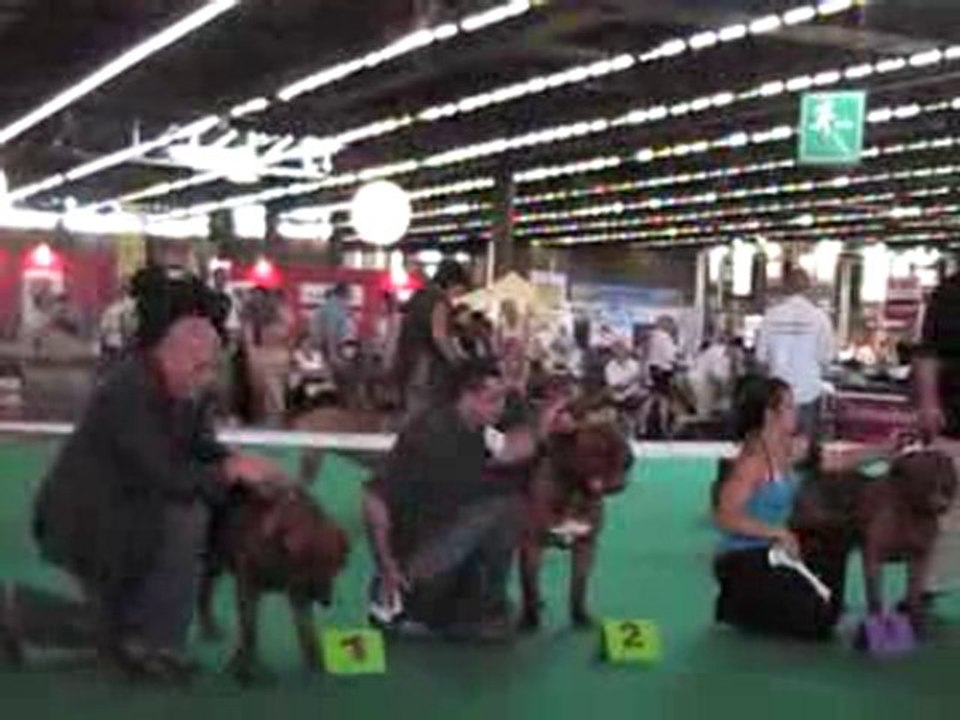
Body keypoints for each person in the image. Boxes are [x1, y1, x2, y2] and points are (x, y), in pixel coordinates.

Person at [30, 272, 289, 680]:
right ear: (173, 350)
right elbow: (165, 476)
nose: (209, 376)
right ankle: (157, 646)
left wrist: (240, 462)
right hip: (88, 522)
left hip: (129, 510)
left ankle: (32, 616)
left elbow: (202, 450)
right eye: (202, 364)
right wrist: (227, 471)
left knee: (112, 629)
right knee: (188, 514)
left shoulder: (187, 390)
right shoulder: (127, 391)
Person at [362, 361, 535, 640]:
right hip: (413, 567)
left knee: (495, 508)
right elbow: (372, 499)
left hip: (443, 546)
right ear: (466, 396)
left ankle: (466, 612)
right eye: (493, 399)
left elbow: (521, 444)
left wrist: (544, 415)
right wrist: (386, 565)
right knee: (504, 509)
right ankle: (416, 605)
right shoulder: (428, 434)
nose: (501, 406)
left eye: (503, 399)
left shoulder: (480, 430)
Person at [712, 377, 843, 641]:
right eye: (790, 407)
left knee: (828, 600)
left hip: (776, 552)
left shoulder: (786, 450)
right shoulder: (752, 461)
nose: (796, 412)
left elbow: (836, 460)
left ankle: (766, 602)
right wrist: (778, 533)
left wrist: (886, 450)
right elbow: (726, 517)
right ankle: (736, 602)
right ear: (771, 415)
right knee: (816, 621)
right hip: (743, 558)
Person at [915, 269, 960, 597]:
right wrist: (929, 403)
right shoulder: (949, 293)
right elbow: (927, 353)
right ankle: (925, 586)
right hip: (953, 416)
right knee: (941, 505)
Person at [755, 268, 835, 441]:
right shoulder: (820, 318)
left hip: (778, 396)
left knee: (777, 447)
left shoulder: (771, 316)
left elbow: (760, 357)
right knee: (803, 449)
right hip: (808, 393)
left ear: (785, 288)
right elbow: (826, 358)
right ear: (808, 288)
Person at [393, 260, 470, 419]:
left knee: (413, 414)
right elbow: (439, 336)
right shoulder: (440, 300)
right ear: (451, 282)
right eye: (460, 288)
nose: (460, 294)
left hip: (409, 362)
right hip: (427, 369)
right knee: (426, 416)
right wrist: (458, 362)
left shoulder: (420, 295)